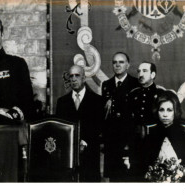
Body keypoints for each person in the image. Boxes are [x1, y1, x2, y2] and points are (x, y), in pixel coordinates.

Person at [56, 65, 104, 182]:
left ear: (84, 78)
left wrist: (85, 141)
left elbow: (99, 127)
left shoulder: (97, 101)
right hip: (69, 156)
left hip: (90, 155)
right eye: (71, 76)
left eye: (77, 75)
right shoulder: (62, 102)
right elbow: (60, 128)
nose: (73, 79)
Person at [141, 91, 185, 182]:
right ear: (157, 111)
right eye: (161, 110)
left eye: (169, 110)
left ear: (175, 111)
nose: (165, 114)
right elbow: (142, 170)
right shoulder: (149, 139)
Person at [101, 52, 139, 181]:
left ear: (127, 65)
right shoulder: (106, 85)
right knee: (113, 179)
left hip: (129, 138)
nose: (117, 65)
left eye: (121, 62)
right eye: (114, 62)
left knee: (129, 178)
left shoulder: (135, 84)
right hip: (111, 140)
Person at [128, 62, 164, 181]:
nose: (140, 74)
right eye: (139, 71)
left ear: (153, 74)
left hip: (155, 144)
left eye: (144, 71)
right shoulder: (133, 95)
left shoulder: (160, 95)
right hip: (135, 145)